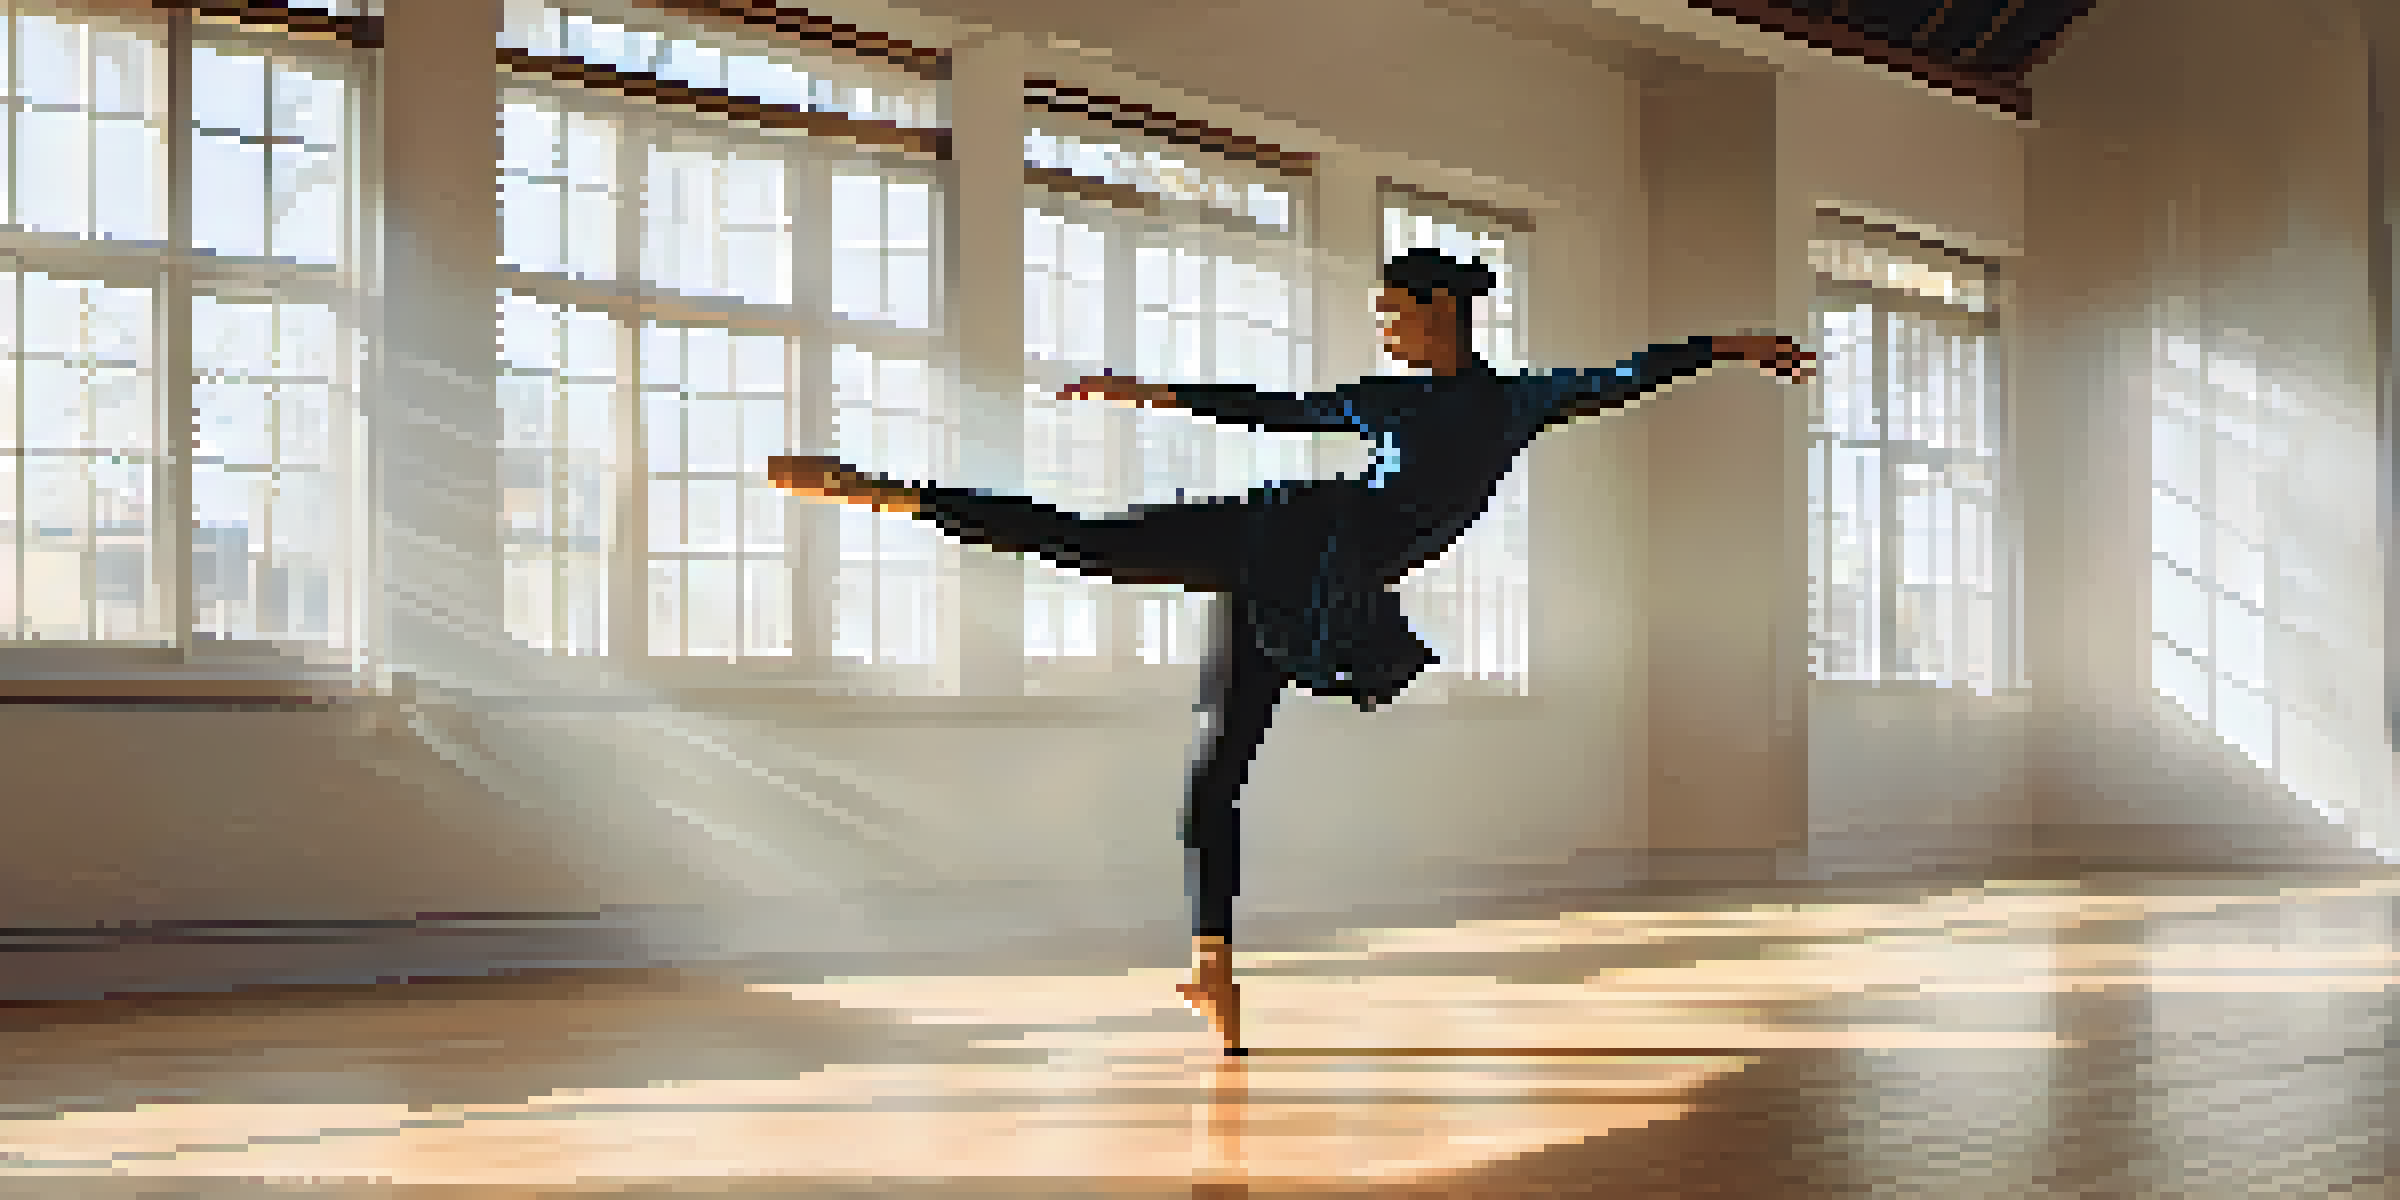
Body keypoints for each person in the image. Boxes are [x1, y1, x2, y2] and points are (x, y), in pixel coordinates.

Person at [769, 248, 1816, 1053]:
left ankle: (1213, 970)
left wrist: (1727, 347)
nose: (1386, 329)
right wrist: (1152, 394)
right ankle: (891, 492)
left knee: (1213, 751)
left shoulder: (1515, 401)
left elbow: (1630, 374)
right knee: (1111, 576)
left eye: (1394, 313)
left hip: (1317, 580)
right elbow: (1272, 411)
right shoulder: (1396, 398)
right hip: (1291, 543)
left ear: (1440, 311)